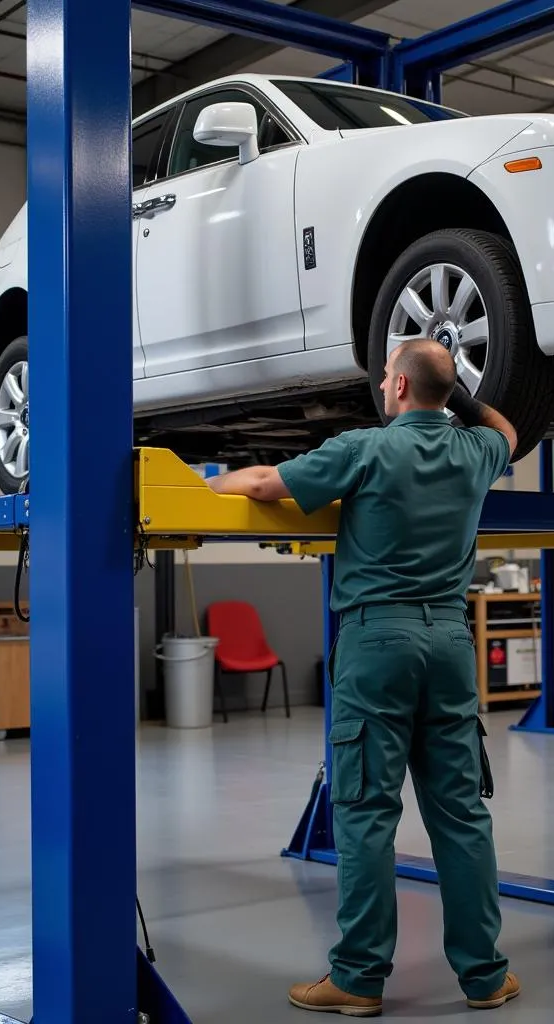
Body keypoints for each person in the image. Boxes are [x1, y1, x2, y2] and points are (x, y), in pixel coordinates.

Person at [208, 340, 520, 1016]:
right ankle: (485, 976)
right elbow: (507, 432)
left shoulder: (367, 449)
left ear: (401, 385)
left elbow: (266, 484)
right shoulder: (476, 453)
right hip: (448, 641)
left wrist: (208, 488)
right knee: (461, 814)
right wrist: (459, 394)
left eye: (387, 376)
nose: (382, 384)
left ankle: (358, 978)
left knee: (367, 813)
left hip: (378, 641)